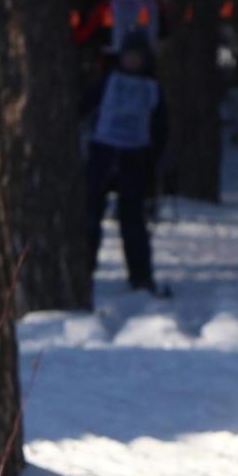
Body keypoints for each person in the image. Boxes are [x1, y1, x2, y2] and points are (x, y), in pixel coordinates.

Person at [85, 31, 167, 293]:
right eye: (129, 56)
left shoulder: (153, 88)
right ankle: (84, 270)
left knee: (132, 222)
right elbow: (85, 105)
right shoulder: (108, 81)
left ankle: (140, 275)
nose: (133, 61)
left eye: (138, 57)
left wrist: (155, 161)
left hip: (135, 159)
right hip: (103, 155)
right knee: (89, 218)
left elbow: (161, 128)